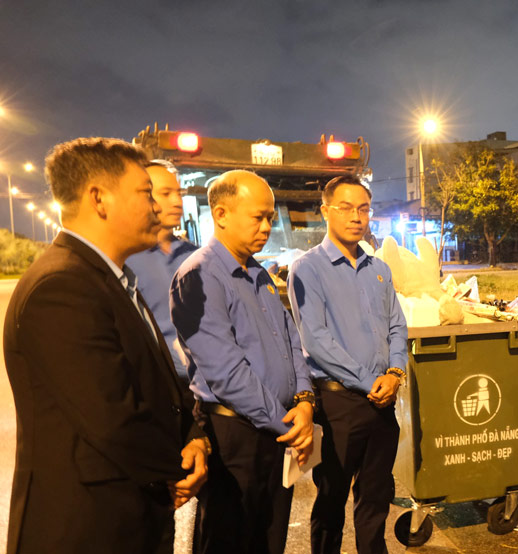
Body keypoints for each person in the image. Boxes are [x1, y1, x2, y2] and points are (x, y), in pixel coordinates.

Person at [3, 137, 209, 554]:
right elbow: (113, 418)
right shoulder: (62, 287)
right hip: (86, 528)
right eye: (145, 193)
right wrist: (179, 466)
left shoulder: (113, 279)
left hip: (128, 515)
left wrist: (194, 437)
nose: (156, 207)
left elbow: (157, 385)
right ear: (99, 199)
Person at [170, 170, 315, 554]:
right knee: (229, 539)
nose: (268, 226)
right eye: (258, 217)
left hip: (275, 430)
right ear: (220, 214)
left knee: (269, 538)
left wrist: (304, 401)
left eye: (270, 216)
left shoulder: (259, 273)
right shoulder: (199, 276)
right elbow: (226, 373)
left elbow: (291, 342)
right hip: (234, 436)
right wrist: (287, 423)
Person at [288, 175, 407, 554]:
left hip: (382, 401)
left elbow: (397, 325)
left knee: (375, 497)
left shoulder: (379, 269)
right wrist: (372, 380)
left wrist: (395, 373)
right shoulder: (308, 269)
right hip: (339, 405)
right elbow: (316, 341)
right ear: (325, 211)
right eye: (346, 208)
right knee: (331, 500)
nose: (357, 217)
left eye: (364, 209)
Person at [126, 159, 198, 378]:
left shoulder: (195, 256)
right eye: (166, 194)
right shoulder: (126, 260)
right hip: (161, 386)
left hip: (209, 387)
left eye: (180, 193)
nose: (177, 202)